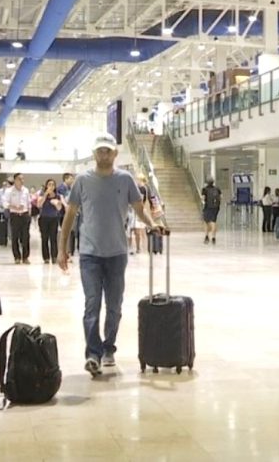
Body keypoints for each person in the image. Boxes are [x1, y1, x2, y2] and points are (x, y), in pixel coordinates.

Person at [57, 133, 164, 376]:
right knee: (92, 304)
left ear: (115, 153)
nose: (103, 155)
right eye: (99, 151)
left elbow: (139, 209)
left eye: (107, 151)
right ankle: (92, 353)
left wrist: (151, 225)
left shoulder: (126, 180)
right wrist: (62, 249)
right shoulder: (82, 180)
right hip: (89, 254)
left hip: (117, 253)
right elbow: (70, 216)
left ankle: (108, 348)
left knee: (114, 305)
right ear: (94, 154)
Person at [2, 173, 32, 264]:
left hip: (25, 215)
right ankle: (17, 257)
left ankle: (25, 257)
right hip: (14, 215)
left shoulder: (26, 190)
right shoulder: (9, 191)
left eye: (23, 179)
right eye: (19, 179)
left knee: (25, 237)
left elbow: (29, 202)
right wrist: (14, 207)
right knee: (15, 237)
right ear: (15, 180)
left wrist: (29, 213)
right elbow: (5, 203)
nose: (22, 181)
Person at [36, 179, 63, 264]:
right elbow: (39, 205)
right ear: (46, 186)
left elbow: (59, 208)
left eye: (53, 185)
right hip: (44, 218)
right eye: (49, 184)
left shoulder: (58, 196)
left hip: (53, 219)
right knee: (44, 238)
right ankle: (46, 257)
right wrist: (45, 195)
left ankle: (54, 256)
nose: (51, 186)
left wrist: (56, 203)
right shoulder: (42, 194)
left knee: (53, 238)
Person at [127, 174, 151, 254]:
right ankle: (135, 247)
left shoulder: (143, 189)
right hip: (133, 212)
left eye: (138, 180)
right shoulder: (138, 188)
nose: (137, 181)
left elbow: (143, 200)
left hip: (137, 212)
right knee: (132, 230)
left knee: (137, 231)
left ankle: (138, 248)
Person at [200, 178, 221, 244]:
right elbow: (221, 197)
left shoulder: (204, 189)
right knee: (213, 222)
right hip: (216, 207)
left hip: (207, 207)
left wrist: (203, 200)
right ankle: (213, 238)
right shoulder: (217, 189)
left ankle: (206, 236)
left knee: (206, 221)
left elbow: (203, 198)